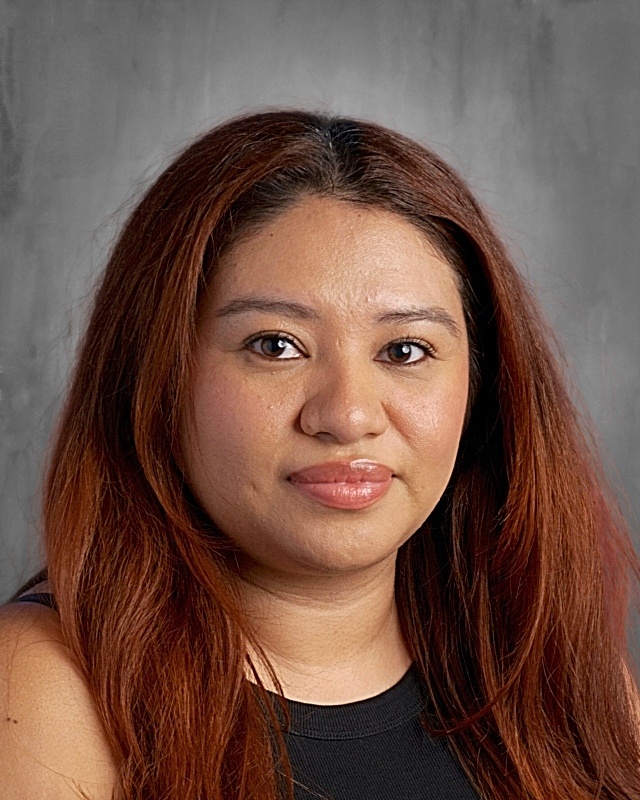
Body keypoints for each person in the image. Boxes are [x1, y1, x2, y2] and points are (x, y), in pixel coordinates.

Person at [1, 110, 639, 800]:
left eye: (405, 351)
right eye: (275, 345)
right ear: (156, 377)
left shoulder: (561, 683)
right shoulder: (42, 683)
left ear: (482, 389)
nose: (348, 416)